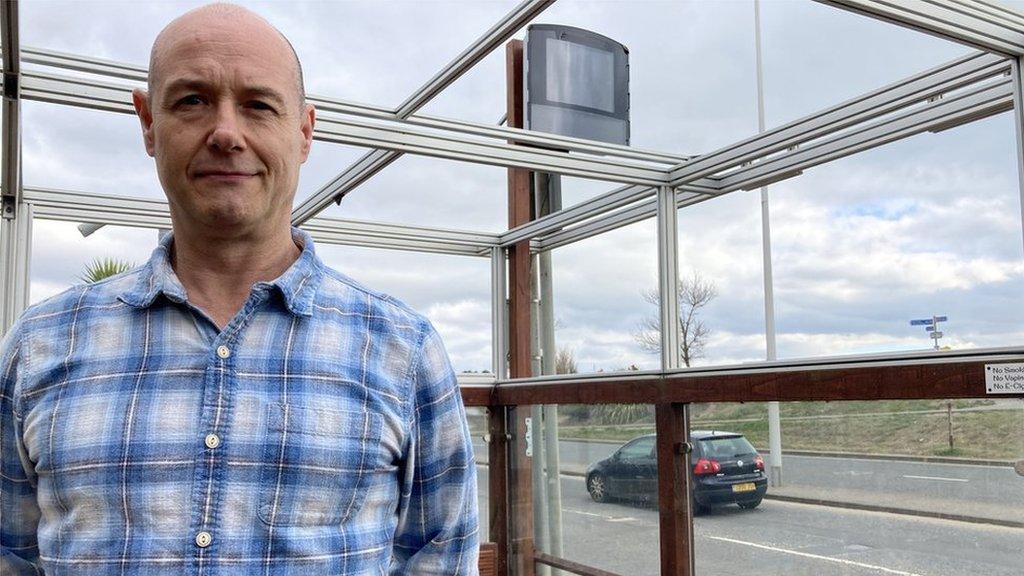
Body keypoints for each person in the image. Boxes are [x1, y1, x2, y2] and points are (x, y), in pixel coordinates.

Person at [0, 4, 479, 574]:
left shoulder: (404, 350)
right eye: (193, 100)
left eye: (258, 105)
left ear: (303, 133)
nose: (226, 133)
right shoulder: (39, 344)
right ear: (148, 124)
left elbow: (440, 557)